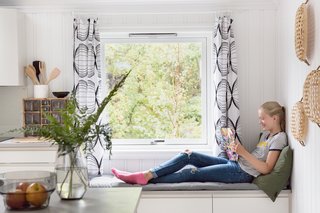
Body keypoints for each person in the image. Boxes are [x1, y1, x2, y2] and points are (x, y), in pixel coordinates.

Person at [111, 101, 288, 185]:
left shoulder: (280, 138)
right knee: (188, 155)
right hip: (236, 163)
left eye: (262, 119)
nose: (260, 122)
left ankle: (144, 178)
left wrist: (242, 152)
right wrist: (234, 150)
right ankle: (147, 174)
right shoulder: (266, 136)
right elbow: (255, 159)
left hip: (241, 173)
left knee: (192, 172)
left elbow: (266, 169)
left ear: (275, 118)